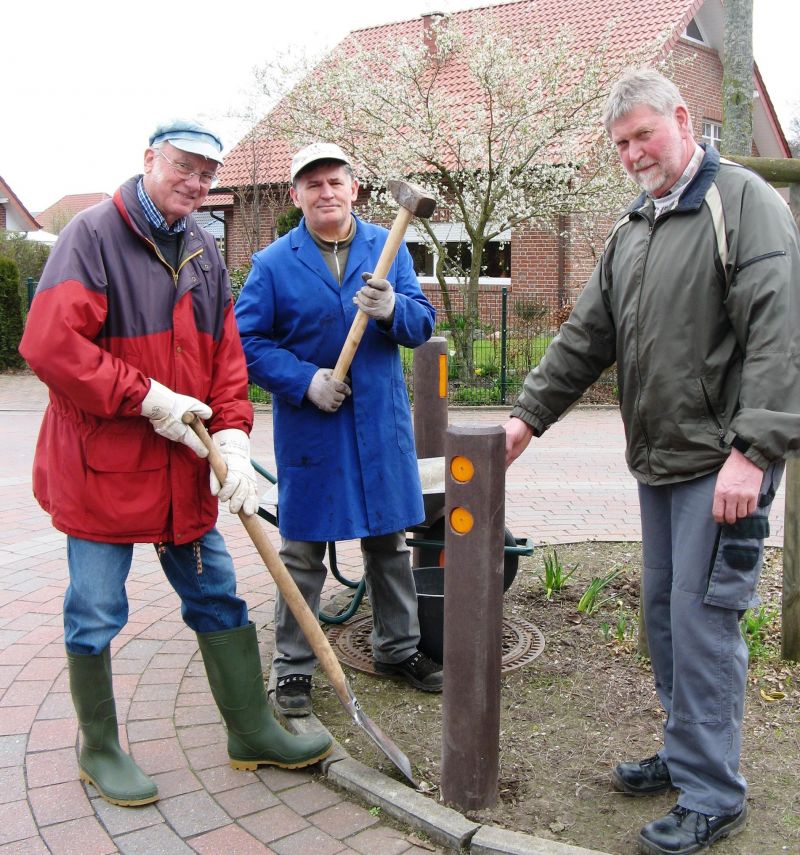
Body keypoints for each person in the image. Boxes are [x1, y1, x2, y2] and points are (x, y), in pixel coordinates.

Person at [504, 69, 800, 855]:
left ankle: (713, 794)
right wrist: (525, 418)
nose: (634, 153)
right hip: (661, 459)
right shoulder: (635, 226)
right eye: (621, 144)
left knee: (705, 626)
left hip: (724, 463)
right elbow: (585, 337)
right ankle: (686, 749)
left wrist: (754, 452)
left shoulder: (743, 205)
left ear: (681, 118)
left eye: (644, 135)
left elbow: (781, 333)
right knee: (665, 617)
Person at [19, 120, 331, 808]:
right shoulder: (93, 236)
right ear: (149, 159)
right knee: (95, 609)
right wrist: (147, 396)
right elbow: (47, 344)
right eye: (183, 167)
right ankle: (98, 746)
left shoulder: (201, 247)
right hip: (103, 470)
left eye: (206, 174)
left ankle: (251, 730)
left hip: (182, 471)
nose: (194, 183)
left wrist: (235, 435)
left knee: (216, 593)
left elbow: (225, 356)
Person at [234, 142, 442, 717]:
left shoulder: (388, 246)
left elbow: (421, 324)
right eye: (313, 184)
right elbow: (247, 344)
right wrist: (304, 381)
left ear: (355, 189)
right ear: (296, 196)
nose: (325, 192)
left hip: (377, 424)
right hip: (313, 428)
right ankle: (294, 668)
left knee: (388, 544)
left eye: (335, 182)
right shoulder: (273, 264)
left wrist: (391, 309)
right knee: (302, 551)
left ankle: (398, 649)